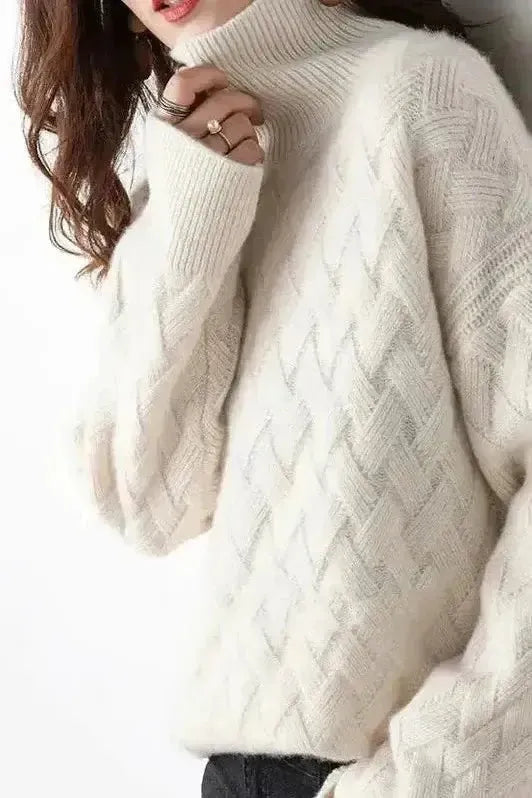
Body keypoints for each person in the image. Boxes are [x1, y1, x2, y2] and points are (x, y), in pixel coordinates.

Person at [17, 1, 532, 796]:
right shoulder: (186, 167)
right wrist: (192, 213)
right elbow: (150, 504)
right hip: (236, 772)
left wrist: (438, 772)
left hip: (402, 774)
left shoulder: (421, 93)